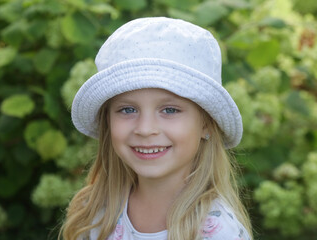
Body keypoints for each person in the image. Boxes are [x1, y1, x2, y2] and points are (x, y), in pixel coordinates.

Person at [59, 17, 253, 240]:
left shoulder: (216, 232)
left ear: (206, 124)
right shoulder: (96, 213)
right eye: (128, 110)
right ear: (108, 121)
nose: (145, 129)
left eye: (169, 110)